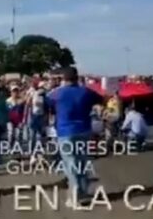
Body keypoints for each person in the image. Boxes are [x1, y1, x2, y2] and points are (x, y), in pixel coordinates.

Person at [47, 67, 103, 207]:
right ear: (77, 78)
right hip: (84, 130)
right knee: (82, 162)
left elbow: (47, 107)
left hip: (65, 132)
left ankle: (75, 197)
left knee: (71, 165)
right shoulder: (86, 92)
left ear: (63, 79)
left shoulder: (56, 94)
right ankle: (83, 191)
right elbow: (101, 99)